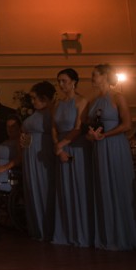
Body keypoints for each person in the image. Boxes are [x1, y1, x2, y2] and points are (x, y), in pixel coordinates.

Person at [86, 64, 136, 251]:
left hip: (114, 145)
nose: (91, 78)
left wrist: (106, 135)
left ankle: (123, 234)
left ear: (105, 76)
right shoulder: (94, 100)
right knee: (103, 187)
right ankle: (107, 234)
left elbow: (127, 124)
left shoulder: (118, 96)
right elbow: (88, 124)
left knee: (117, 185)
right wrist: (92, 134)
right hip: (98, 146)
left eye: (94, 74)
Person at [52, 68, 93, 247]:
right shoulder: (58, 103)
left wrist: (61, 145)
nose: (61, 84)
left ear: (74, 82)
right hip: (61, 147)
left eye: (64, 81)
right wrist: (58, 148)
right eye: (59, 81)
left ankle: (82, 232)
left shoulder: (81, 100)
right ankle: (67, 232)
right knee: (65, 190)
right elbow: (53, 128)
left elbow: (78, 127)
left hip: (76, 147)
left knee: (79, 188)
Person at [22, 81, 57, 242]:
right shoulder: (34, 113)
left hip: (43, 153)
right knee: (33, 188)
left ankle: (47, 227)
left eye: (35, 98)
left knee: (44, 187)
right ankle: (36, 227)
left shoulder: (51, 112)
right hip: (30, 155)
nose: (33, 101)